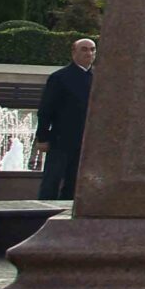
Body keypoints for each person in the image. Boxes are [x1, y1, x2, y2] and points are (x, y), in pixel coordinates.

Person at [31, 38, 96, 201]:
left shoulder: (99, 78)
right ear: (74, 52)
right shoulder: (59, 77)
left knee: (74, 182)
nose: (89, 53)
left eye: (92, 49)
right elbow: (46, 109)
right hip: (61, 139)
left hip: (86, 140)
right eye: (84, 49)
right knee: (52, 180)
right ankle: (42, 214)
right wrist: (43, 137)